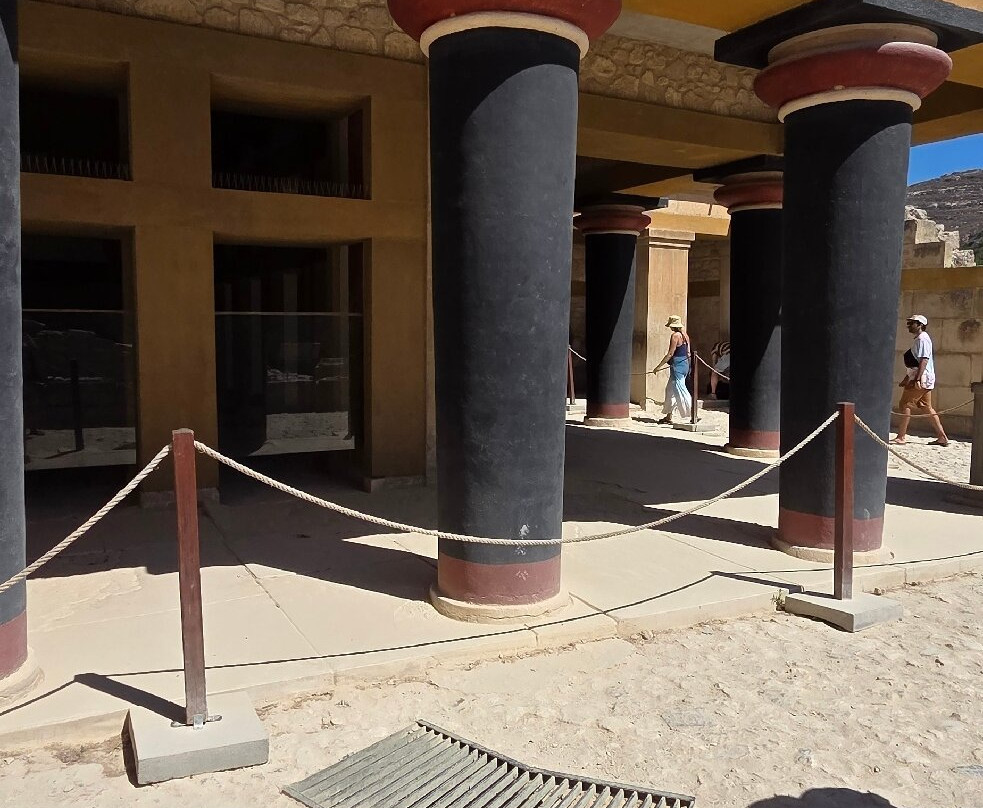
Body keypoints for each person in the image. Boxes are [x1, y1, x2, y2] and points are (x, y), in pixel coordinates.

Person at [891, 314, 948, 446]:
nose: (909, 326)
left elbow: (923, 360)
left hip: (921, 378)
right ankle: (942, 437)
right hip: (922, 377)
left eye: (912, 323)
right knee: (926, 406)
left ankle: (901, 436)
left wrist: (916, 379)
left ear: (920, 325)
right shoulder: (920, 339)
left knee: (905, 404)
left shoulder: (922, 339)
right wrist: (907, 377)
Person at [654, 315, 692, 424]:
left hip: (677, 365)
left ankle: (692, 413)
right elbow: (688, 353)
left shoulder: (675, 336)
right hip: (684, 364)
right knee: (670, 390)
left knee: (681, 389)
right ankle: (668, 415)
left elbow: (670, 353)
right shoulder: (685, 335)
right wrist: (688, 366)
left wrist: (658, 367)